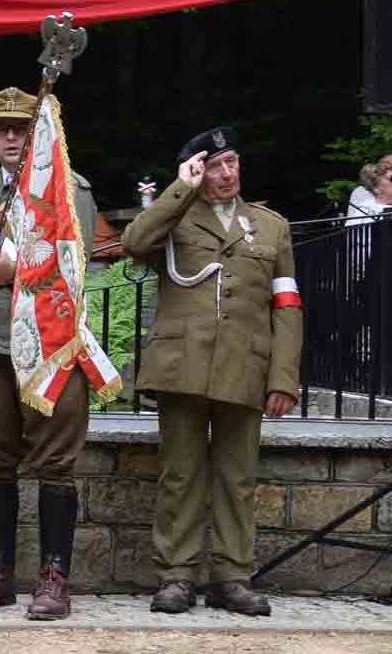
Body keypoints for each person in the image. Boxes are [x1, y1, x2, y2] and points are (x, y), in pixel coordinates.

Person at [121, 127, 302, 617]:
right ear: (198, 171)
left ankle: (232, 577)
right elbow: (134, 243)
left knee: (237, 477)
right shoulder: (176, 215)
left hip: (245, 366)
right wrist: (179, 189)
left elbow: (286, 305)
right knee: (180, 475)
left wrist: (283, 377)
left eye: (232, 163)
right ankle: (176, 576)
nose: (226, 173)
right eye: (215, 166)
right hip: (183, 366)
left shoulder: (270, 226)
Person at [0, 87, 99, 620]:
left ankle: (55, 578)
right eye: (1, 129)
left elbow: (73, 266)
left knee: (55, 466)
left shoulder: (68, 191)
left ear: (38, 134)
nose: (11, 138)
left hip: (51, 351)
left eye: (21, 128)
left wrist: (14, 273)